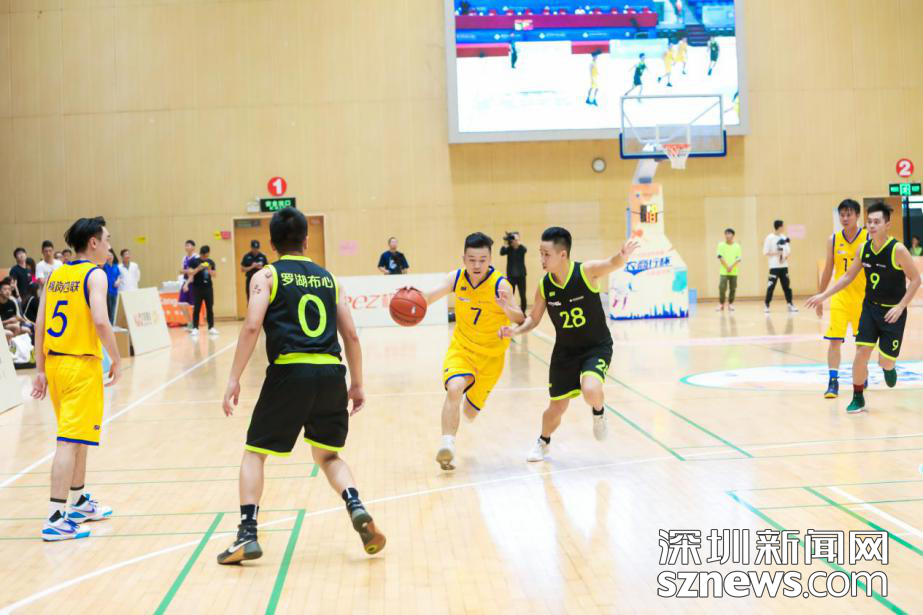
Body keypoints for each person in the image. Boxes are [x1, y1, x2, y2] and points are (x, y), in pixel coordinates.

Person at [217, 208, 385, 564]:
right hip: (331, 374)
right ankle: (355, 504)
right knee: (328, 456)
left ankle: (247, 534)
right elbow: (351, 335)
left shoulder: (266, 275)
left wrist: (233, 378)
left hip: (290, 372)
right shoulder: (330, 279)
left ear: (272, 244)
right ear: (306, 241)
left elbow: (251, 326)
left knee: (255, 453)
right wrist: (357, 383)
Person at [502, 227, 639, 462]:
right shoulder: (545, 285)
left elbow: (610, 263)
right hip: (565, 352)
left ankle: (599, 412)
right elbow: (533, 319)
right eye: (540, 253)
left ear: (562, 254)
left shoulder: (586, 272)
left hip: (596, 347)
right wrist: (515, 330)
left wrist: (622, 256)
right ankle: (543, 442)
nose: (542, 259)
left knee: (591, 390)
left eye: (546, 254)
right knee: (556, 408)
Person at [31, 216, 122, 540]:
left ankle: (79, 501)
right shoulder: (95, 275)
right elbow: (101, 320)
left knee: (79, 437)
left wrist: (40, 369)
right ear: (93, 243)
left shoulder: (56, 274)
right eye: (107, 239)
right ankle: (56, 517)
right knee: (68, 441)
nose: (110, 245)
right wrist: (117, 358)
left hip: (56, 366)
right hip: (80, 366)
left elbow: (40, 324)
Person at [415, 233, 523, 471]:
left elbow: (520, 318)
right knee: (454, 388)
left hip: (491, 358)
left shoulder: (500, 285)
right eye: (472, 259)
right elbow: (429, 297)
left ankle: (464, 416)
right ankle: (447, 446)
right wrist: (413, 296)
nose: (477, 265)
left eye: (482, 260)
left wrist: (508, 309)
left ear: (490, 259)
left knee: (470, 413)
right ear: (463, 258)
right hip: (462, 349)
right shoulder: (456, 278)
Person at [807, 202, 921, 413]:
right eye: (869, 222)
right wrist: (823, 295)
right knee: (861, 353)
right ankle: (858, 397)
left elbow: (916, 280)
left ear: (887, 224)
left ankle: (889, 368)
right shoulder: (864, 249)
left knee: (885, 362)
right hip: (869, 308)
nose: (872, 225)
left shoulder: (898, 250)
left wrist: (901, 306)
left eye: (877, 222)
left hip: (892, 312)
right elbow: (847, 277)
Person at [815, 199, 867, 398]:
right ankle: (833, 381)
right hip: (840, 297)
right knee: (835, 340)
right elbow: (828, 270)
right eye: (842, 215)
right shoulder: (833, 240)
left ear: (857, 215)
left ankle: (861, 373)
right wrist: (820, 296)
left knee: (862, 344)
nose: (845, 218)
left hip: (863, 299)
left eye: (849, 214)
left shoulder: (867, 238)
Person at [763, 220, 796, 313]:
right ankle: (767, 305)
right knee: (771, 286)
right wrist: (777, 253)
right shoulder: (770, 238)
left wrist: (785, 255)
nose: (784, 227)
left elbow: (788, 250)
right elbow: (765, 252)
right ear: (780, 227)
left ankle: (790, 304)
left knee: (787, 286)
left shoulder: (784, 237)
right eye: (783, 226)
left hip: (784, 266)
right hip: (774, 267)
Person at [186, 245, 218, 336]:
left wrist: (209, 269)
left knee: (210, 308)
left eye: (206, 256)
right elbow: (190, 273)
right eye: (203, 256)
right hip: (197, 288)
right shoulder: (194, 261)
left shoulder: (210, 262)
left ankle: (211, 327)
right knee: (196, 308)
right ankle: (195, 328)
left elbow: (214, 275)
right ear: (200, 254)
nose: (205, 257)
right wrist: (198, 268)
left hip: (208, 288)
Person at [500, 232, 528, 313]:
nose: (514, 241)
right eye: (513, 239)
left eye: (515, 239)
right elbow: (501, 252)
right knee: (510, 295)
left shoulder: (521, 249)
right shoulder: (509, 249)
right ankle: (511, 311)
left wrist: (517, 242)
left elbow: (525, 249)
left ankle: (523, 312)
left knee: (522, 295)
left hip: (521, 276)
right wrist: (506, 242)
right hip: (511, 276)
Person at [716, 228, 741, 311]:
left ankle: (730, 304)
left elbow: (738, 259)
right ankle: (721, 304)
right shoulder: (721, 245)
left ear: (733, 235)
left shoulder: (737, 246)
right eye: (726, 234)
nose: (727, 235)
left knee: (733, 288)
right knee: (722, 288)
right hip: (724, 271)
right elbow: (720, 257)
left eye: (729, 234)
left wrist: (731, 267)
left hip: (734, 271)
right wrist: (727, 267)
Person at [102, 249, 121, 324]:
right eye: (108, 255)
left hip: (115, 291)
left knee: (114, 309)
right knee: (108, 309)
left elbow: (119, 276)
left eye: (111, 255)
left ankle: (112, 324)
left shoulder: (116, 266)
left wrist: (118, 281)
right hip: (107, 291)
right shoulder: (104, 266)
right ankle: (109, 324)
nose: (110, 257)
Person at [178, 240, 197, 308]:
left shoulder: (196, 258)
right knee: (181, 303)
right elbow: (181, 270)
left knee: (193, 305)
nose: (186, 247)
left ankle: (195, 315)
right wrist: (188, 271)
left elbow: (193, 272)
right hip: (185, 281)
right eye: (185, 246)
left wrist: (187, 271)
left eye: (188, 245)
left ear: (193, 247)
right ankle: (188, 316)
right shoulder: (184, 258)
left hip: (194, 283)